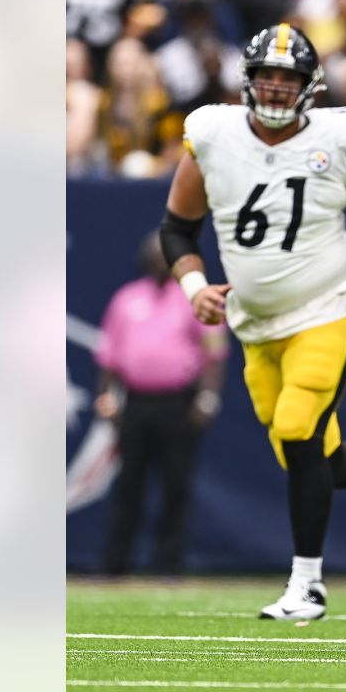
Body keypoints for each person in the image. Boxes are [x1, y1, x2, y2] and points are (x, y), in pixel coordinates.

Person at [158, 24, 346, 620]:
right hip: (255, 325)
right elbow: (177, 227)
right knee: (306, 458)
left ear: (310, 87)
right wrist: (194, 284)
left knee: (300, 429)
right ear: (248, 81)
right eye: (267, 77)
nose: (277, 89)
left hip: (326, 310)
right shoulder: (212, 136)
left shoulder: (338, 139)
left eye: (289, 79)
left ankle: (307, 585)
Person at [94, 230, 229, 576]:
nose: (157, 260)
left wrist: (208, 397)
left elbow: (213, 353)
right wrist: (106, 395)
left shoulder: (194, 298)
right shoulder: (127, 298)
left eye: (162, 254)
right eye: (152, 254)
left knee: (176, 484)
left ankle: (168, 563)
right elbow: (109, 355)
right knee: (129, 485)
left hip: (178, 403)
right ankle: (116, 563)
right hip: (136, 403)